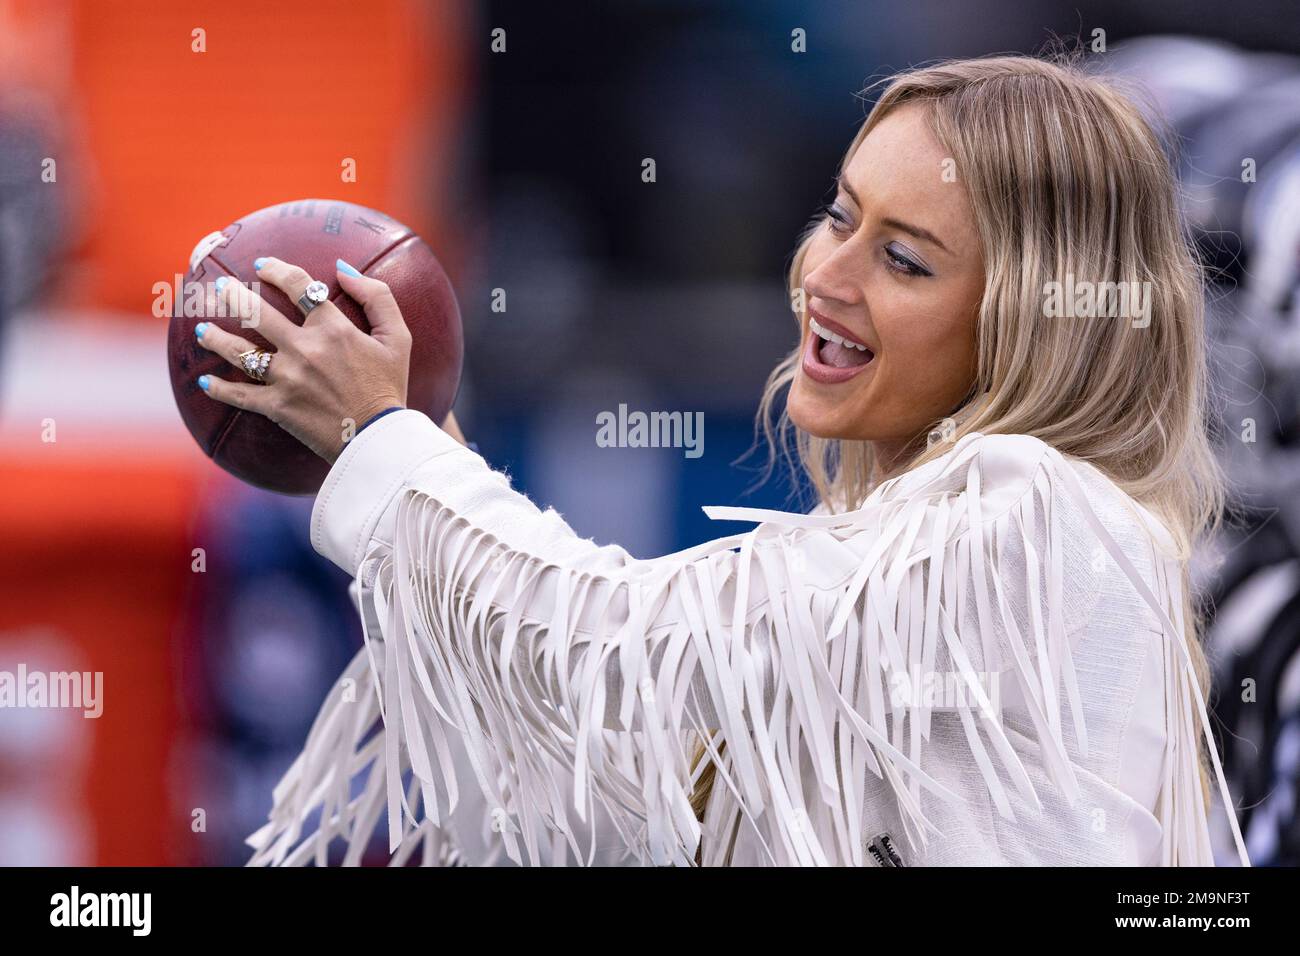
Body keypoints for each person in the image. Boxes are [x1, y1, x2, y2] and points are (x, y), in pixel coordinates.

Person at [197, 55, 1250, 866]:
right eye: (838, 214)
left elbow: (617, 647)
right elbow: (610, 812)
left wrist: (393, 450)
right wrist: (430, 454)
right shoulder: (967, 545)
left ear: (1030, 322)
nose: (823, 275)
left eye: (902, 258)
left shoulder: (1035, 510)